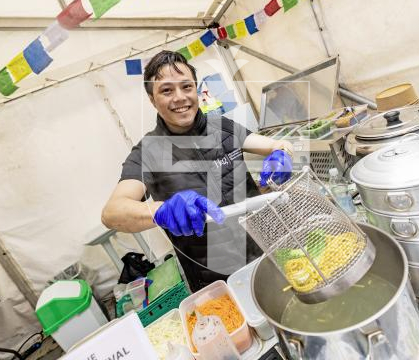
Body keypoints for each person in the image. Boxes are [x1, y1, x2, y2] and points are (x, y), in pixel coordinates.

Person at [102, 50, 293, 292]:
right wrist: (161, 210)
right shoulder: (148, 152)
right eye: (167, 90)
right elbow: (112, 212)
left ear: (195, 89)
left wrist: (282, 154)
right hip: (216, 279)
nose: (180, 97)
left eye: (186, 87)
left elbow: (276, 144)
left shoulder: (221, 126)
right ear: (152, 99)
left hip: (267, 251)